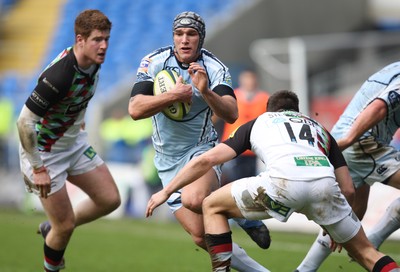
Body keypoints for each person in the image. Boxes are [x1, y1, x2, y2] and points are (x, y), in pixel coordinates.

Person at [146, 90, 400, 272]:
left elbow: (206, 160)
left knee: (212, 204)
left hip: (282, 185)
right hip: (325, 188)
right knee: (368, 254)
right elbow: (347, 187)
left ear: (270, 110)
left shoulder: (261, 121)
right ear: (297, 112)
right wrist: (334, 223)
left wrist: (166, 191)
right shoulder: (319, 129)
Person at [129, 11, 270, 271]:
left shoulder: (215, 68)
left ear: (200, 38)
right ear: (173, 37)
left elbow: (231, 112)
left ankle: (242, 214)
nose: (184, 40)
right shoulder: (153, 61)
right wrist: (172, 96)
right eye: (179, 34)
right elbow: (135, 109)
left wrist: (204, 91)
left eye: (191, 34)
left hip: (200, 151)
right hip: (165, 160)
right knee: (200, 235)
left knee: (194, 200)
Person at [16, 10, 121, 272]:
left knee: (110, 199)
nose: (104, 46)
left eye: (107, 39)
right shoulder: (59, 76)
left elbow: (78, 96)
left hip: (73, 143)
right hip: (45, 154)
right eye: (98, 39)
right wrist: (38, 168)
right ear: (80, 39)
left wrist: (76, 119)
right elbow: (24, 122)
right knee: (66, 227)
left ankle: (52, 228)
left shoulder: (94, 62)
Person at [295, 61, 400, 272]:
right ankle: (372, 242)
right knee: (352, 226)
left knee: (350, 217)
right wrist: (348, 140)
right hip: (362, 142)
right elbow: (379, 106)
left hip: (353, 141)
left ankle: (304, 270)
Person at [219, 69, 269, 184]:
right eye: (246, 78)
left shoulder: (264, 98)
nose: (249, 82)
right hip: (232, 144)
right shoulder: (232, 97)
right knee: (232, 178)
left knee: (254, 180)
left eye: (251, 78)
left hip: (255, 147)